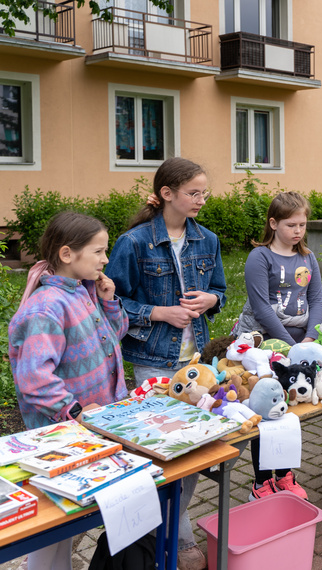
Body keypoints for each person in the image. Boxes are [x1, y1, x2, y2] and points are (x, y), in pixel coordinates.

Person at [106, 157, 226, 570]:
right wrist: (158, 312)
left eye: (204, 193)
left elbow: (220, 290)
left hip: (195, 362)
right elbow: (110, 302)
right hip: (153, 362)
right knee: (165, 451)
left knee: (191, 450)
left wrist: (212, 299)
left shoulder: (207, 240)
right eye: (194, 193)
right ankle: (174, 537)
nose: (201, 200)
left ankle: (163, 528)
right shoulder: (134, 243)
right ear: (167, 193)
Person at [9, 212, 128, 570]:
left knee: (70, 518)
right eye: (98, 251)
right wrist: (73, 410)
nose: (105, 259)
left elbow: (114, 336)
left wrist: (109, 300)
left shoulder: (85, 290)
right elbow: (33, 379)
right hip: (64, 434)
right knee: (56, 526)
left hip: (92, 427)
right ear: (67, 254)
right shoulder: (46, 307)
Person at [234, 191, 320, 500]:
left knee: (289, 412)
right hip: (265, 346)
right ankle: (261, 482)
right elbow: (262, 309)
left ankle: (284, 475)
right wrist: (290, 346)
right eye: (290, 225)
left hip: (298, 344)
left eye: (302, 225)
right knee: (266, 410)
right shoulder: (260, 257)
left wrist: (309, 339)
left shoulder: (307, 257)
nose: (298, 231)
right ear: (273, 223)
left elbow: (316, 299)